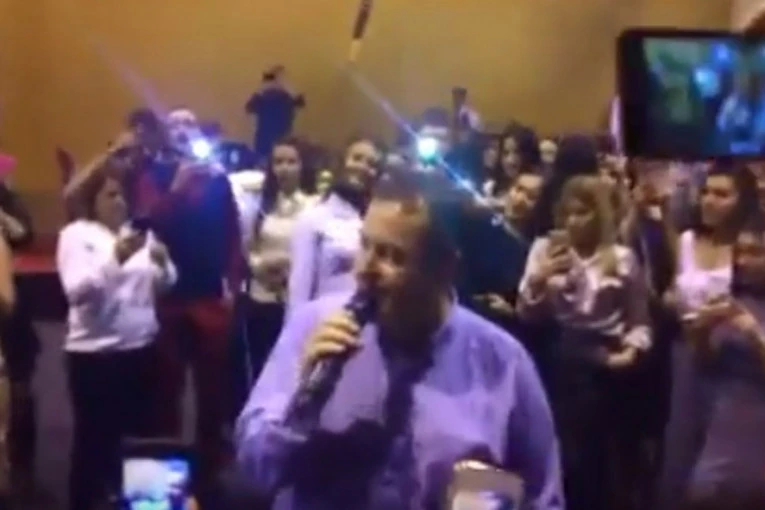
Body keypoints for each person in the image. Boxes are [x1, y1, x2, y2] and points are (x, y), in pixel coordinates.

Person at [235, 167, 563, 509]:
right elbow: (255, 468)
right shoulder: (312, 326)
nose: (365, 269)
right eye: (365, 244)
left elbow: (544, 497)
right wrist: (303, 401)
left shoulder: (503, 363)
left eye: (392, 256)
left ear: (445, 268)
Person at [517, 175, 651, 510]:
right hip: (558, 357)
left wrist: (630, 352)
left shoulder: (621, 258)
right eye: (568, 213)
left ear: (599, 214)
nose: (573, 221)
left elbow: (640, 321)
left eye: (582, 213)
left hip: (605, 363)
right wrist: (540, 278)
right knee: (557, 454)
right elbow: (526, 314)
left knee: (597, 463)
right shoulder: (545, 249)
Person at [56, 172, 176, 510]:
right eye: (110, 195)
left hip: (141, 350)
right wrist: (116, 259)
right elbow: (77, 292)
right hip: (96, 356)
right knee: (95, 443)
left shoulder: (136, 234)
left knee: (143, 439)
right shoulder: (77, 235)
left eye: (121, 195)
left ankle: (142, 504)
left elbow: (164, 284)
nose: (119, 202)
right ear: (92, 201)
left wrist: (165, 264)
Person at [659, 163, 759, 510]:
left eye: (721, 194)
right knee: (681, 446)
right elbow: (675, 289)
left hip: (735, 357)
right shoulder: (688, 240)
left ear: (742, 200)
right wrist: (671, 300)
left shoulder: (749, 250)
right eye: (706, 192)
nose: (709, 200)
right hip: (687, 349)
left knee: (721, 460)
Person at [286, 136, 383, 315]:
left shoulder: (376, 222)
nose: (363, 167)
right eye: (357, 158)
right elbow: (299, 291)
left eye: (372, 164)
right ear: (341, 163)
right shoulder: (314, 218)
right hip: (322, 322)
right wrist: (297, 329)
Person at [246, 137, 316, 384]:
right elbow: (248, 247)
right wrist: (258, 267)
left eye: (291, 162)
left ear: (303, 165)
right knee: (259, 367)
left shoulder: (314, 206)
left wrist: (289, 268)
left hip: (294, 298)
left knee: (289, 368)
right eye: (278, 162)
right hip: (260, 295)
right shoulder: (260, 203)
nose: (284, 168)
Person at [246, 66, 305, 163]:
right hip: (264, 142)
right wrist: (262, 88)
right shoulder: (264, 97)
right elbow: (249, 108)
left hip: (283, 140)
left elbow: (301, 103)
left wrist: (287, 86)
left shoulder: (286, 98)